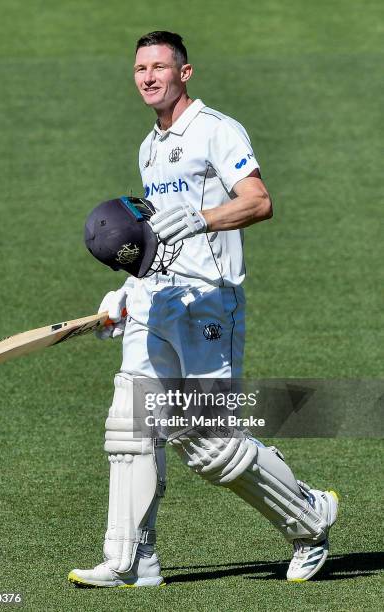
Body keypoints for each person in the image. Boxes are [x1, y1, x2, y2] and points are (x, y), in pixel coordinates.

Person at [68, 30, 338, 588]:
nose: (147, 77)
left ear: (183, 74)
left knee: (209, 444)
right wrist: (126, 291)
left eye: (159, 68)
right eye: (140, 68)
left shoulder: (216, 130)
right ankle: (131, 561)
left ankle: (310, 518)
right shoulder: (148, 147)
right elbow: (155, 241)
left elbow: (259, 201)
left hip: (209, 305)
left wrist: (204, 217)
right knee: (130, 429)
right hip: (156, 300)